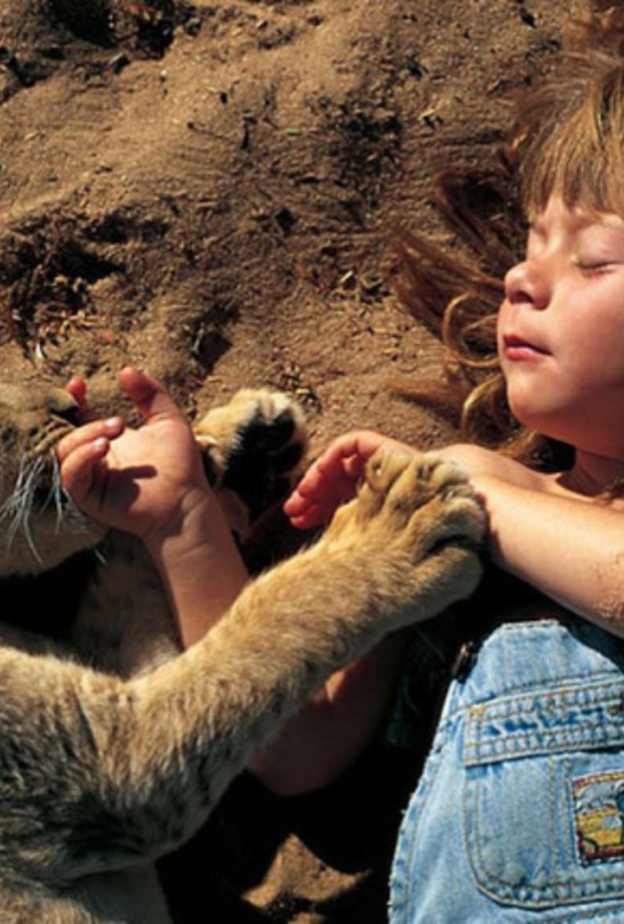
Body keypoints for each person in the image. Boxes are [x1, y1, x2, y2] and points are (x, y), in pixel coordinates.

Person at [58, 21, 624, 924]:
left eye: (593, 257)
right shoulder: (463, 488)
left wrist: (462, 506)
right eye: (530, 242)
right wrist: (185, 525)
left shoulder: (468, 500)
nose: (522, 276)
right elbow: (296, 745)